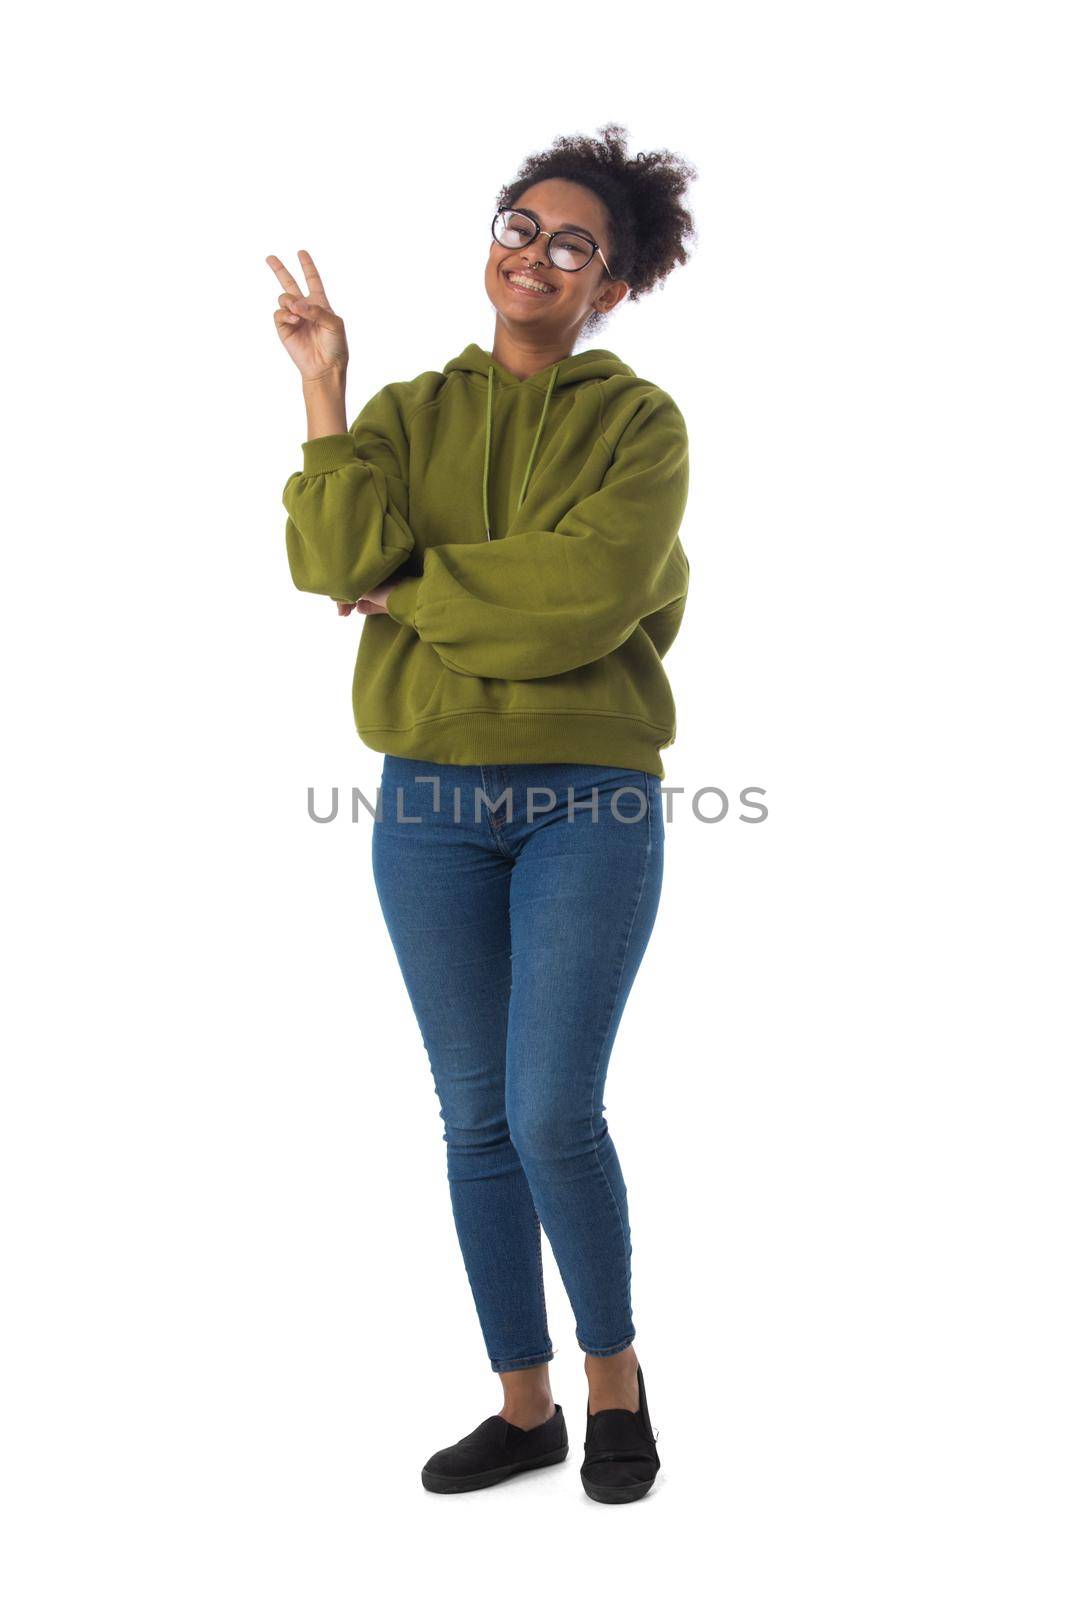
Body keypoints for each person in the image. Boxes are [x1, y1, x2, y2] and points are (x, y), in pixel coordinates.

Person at [267, 123, 697, 1503]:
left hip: (591, 797)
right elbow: (330, 558)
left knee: (554, 1107)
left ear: (612, 287)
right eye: (522, 226)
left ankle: (615, 1375)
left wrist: (418, 589)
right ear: (494, 241)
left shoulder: (639, 426)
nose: (538, 256)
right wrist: (326, 390)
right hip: (427, 806)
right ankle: (525, 1408)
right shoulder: (403, 410)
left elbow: (588, 596)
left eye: (575, 245)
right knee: (474, 1120)